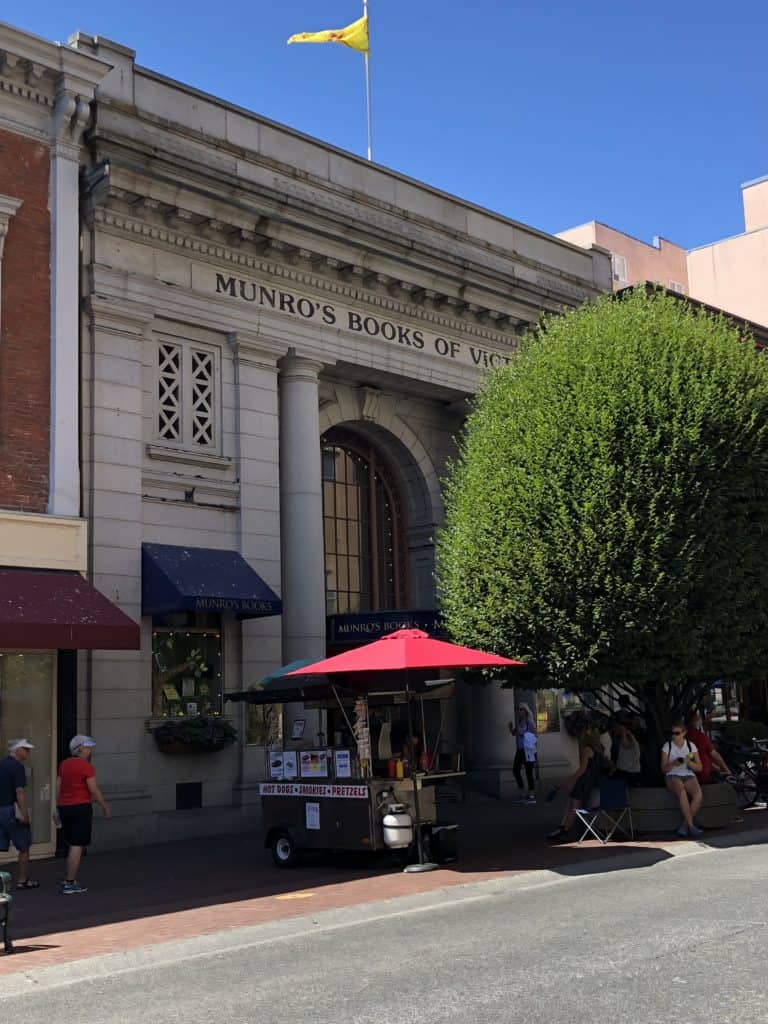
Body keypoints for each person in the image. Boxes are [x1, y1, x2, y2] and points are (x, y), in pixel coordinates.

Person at [56, 735, 111, 895]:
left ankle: (68, 876)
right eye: (87, 747)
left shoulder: (64, 764)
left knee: (71, 843)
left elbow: (59, 786)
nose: (89, 749)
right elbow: (94, 790)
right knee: (77, 845)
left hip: (64, 807)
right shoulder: (86, 766)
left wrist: (57, 805)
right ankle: (70, 882)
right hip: (80, 807)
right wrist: (105, 806)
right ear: (79, 748)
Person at [546, 728, 605, 841]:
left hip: (584, 781)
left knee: (574, 806)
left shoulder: (587, 749)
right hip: (593, 780)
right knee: (570, 803)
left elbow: (582, 769)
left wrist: (570, 780)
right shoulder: (600, 749)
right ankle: (562, 827)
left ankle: (565, 830)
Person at [0, 739, 37, 889]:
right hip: (11, 810)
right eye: (25, 749)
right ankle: (23, 880)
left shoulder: (2, 764)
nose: (27, 752)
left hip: (1, 809)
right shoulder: (17, 767)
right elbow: (20, 792)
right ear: (17, 750)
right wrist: (24, 813)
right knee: (24, 845)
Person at [662, 722, 703, 838]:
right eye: (672, 733)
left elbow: (699, 767)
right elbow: (663, 768)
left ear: (684, 733)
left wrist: (688, 762)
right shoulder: (667, 746)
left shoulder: (691, 746)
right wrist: (674, 763)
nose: (674, 736)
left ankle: (685, 826)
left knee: (698, 795)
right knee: (682, 792)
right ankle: (691, 826)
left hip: (688, 774)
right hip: (672, 775)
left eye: (677, 733)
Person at [685, 709, 731, 784]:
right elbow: (715, 755)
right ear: (695, 720)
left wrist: (718, 768)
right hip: (703, 774)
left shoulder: (683, 735)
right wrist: (727, 770)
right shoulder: (699, 736)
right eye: (698, 718)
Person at [509, 703, 537, 804]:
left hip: (528, 750)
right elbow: (514, 733)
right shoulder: (519, 722)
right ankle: (522, 793)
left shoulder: (530, 722)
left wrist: (521, 734)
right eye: (518, 709)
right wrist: (511, 729)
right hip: (520, 749)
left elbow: (535, 734)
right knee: (515, 770)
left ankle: (531, 795)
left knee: (528, 772)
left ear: (525, 711)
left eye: (521, 709)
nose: (519, 711)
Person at [612, 721, 642, 785]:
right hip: (626, 771)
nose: (615, 729)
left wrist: (623, 731)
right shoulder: (624, 738)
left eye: (617, 728)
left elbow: (626, 745)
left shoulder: (629, 737)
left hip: (629, 773)